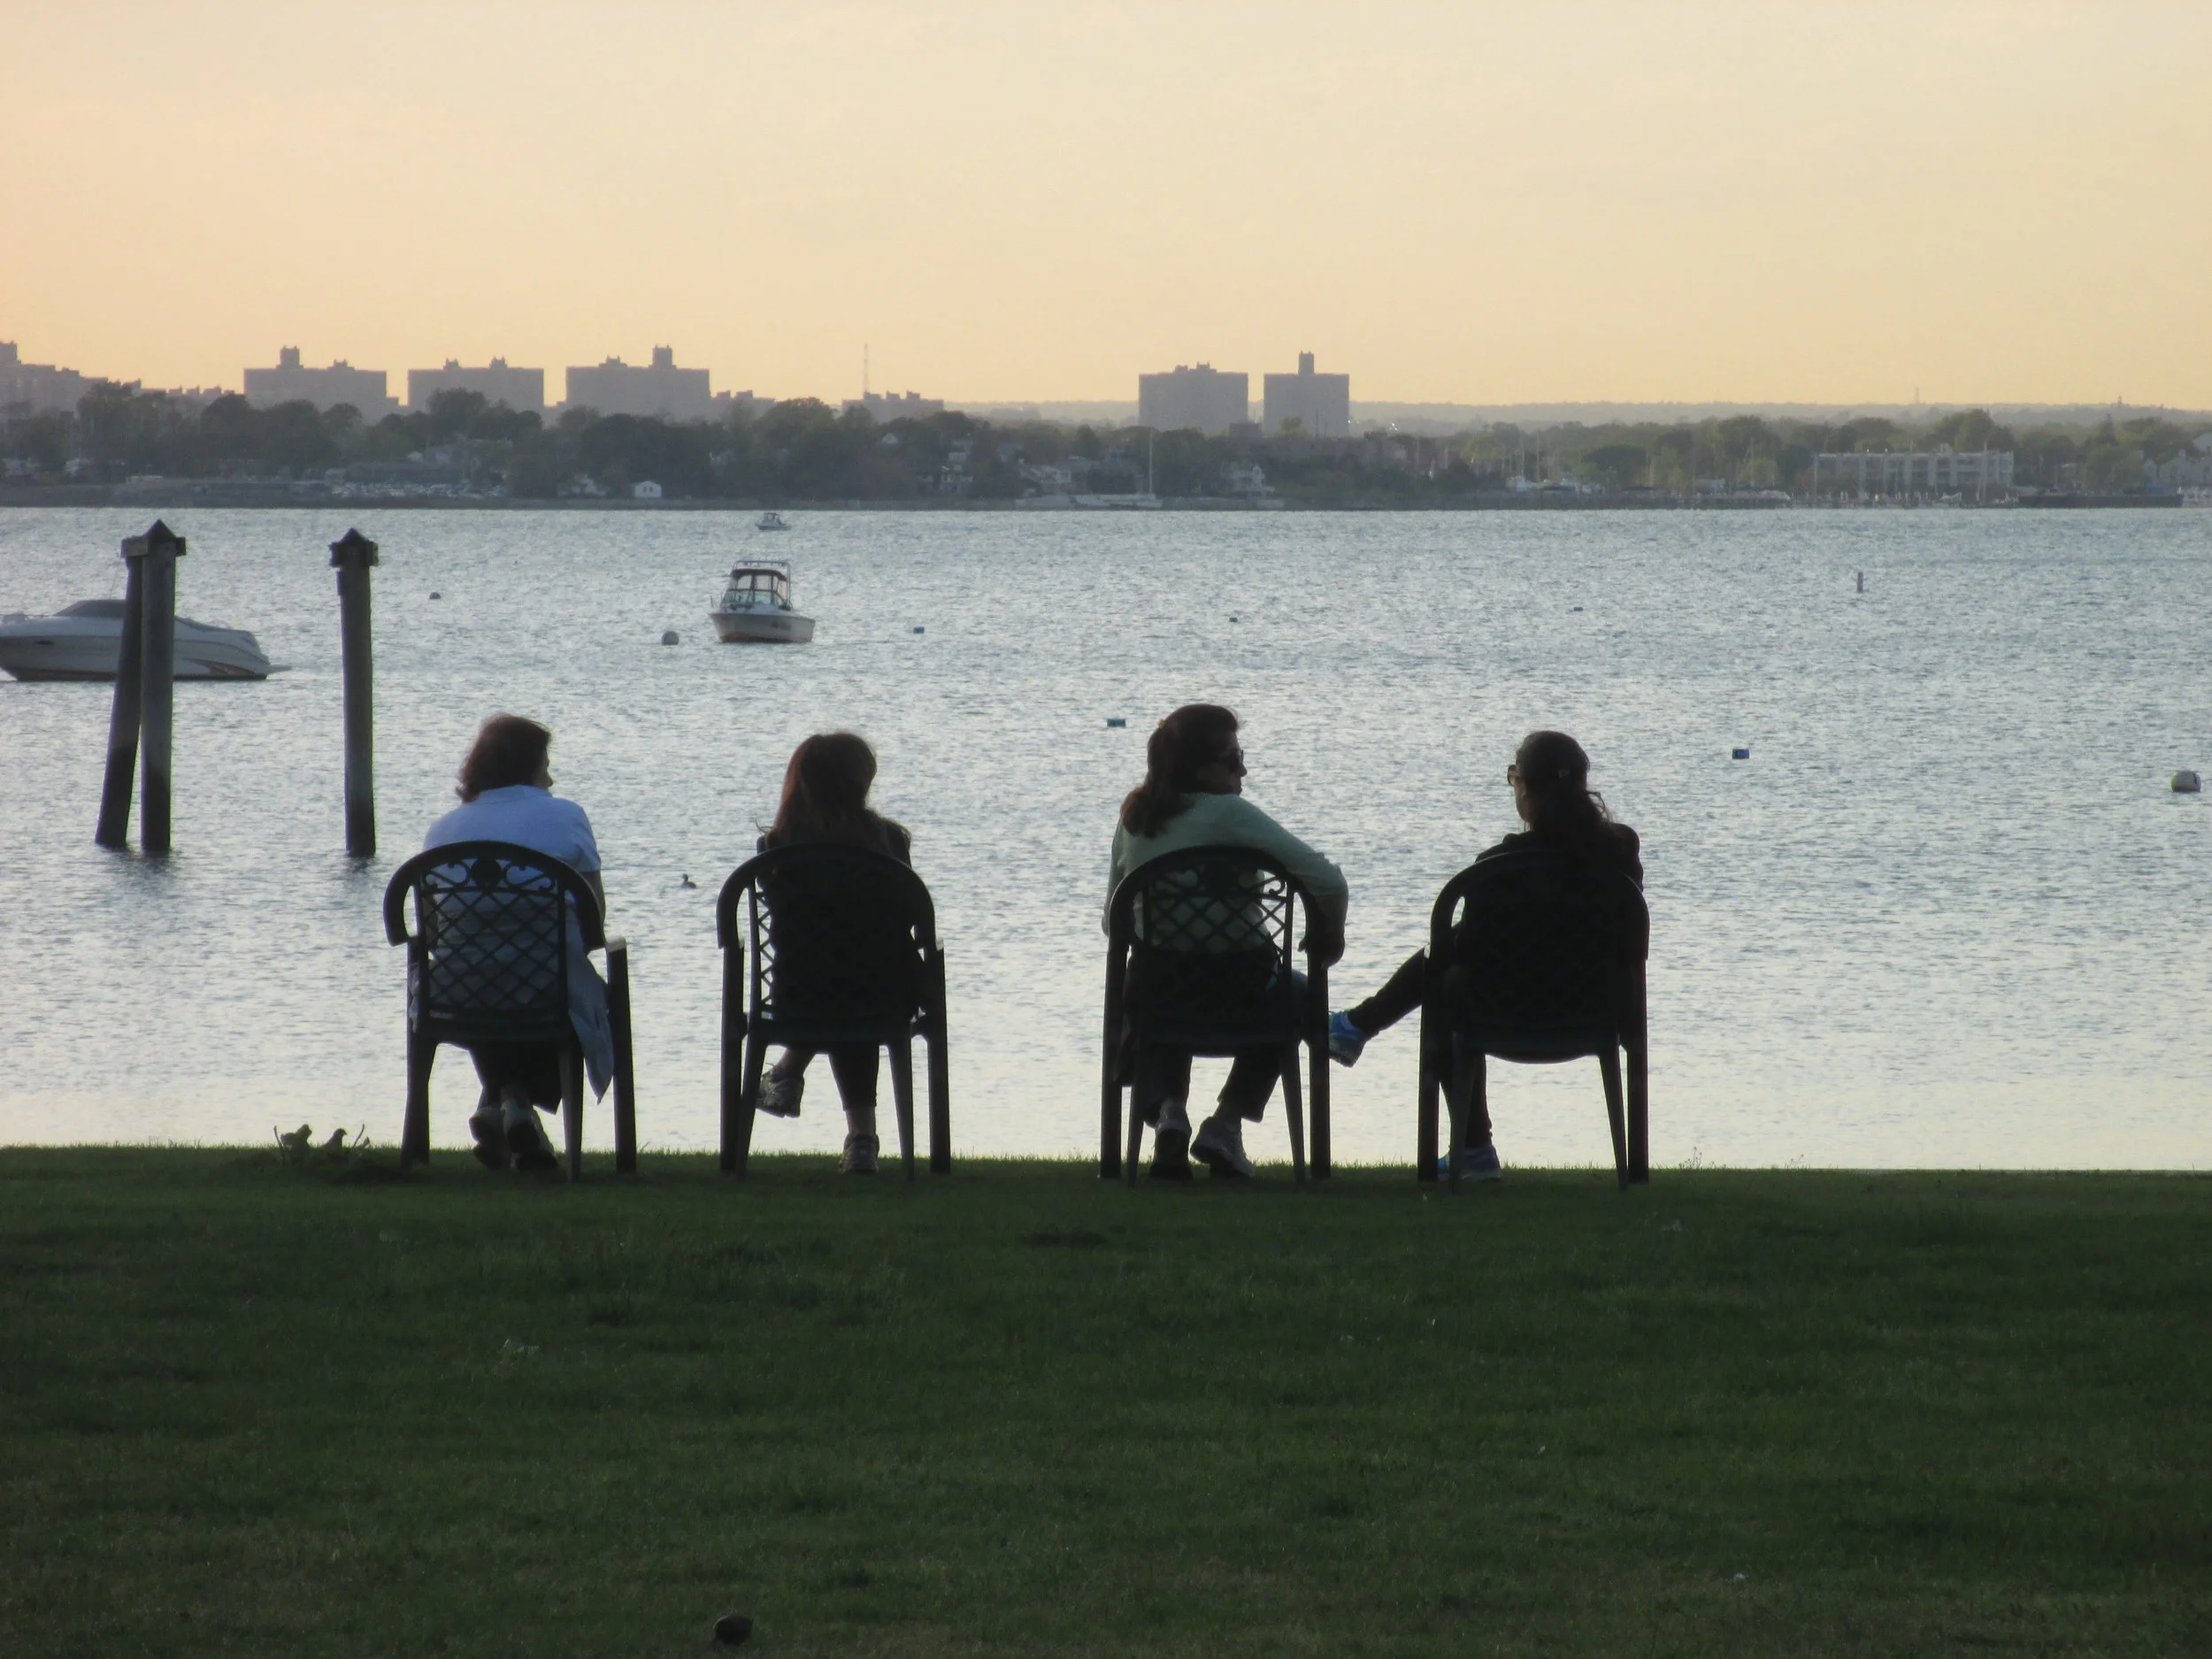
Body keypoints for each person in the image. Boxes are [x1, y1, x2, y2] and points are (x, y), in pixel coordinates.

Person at [1327, 729, 1641, 1180]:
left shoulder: (1500, 863)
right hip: (1603, 1006)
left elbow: (1471, 949)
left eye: (1513, 777)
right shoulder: (1620, 849)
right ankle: (1358, 1025)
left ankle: (1472, 1145)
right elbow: (1628, 935)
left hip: (1504, 1012)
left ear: (1525, 786)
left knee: (1446, 973)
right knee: (1451, 954)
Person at [1106, 703, 1348, 1179]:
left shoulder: (1134, 818)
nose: (1244, 769)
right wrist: (1328, 934)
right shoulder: (1230, 814)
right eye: (1233, 760)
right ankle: (1227, 1122)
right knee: (1300, 996)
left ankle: (1168, 1113)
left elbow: (1113, 924)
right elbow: (1328, 882)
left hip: (1159, 995)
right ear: (1200, 769)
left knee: (1156, 977)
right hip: (1242, 993)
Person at [421, 714, 613, 1173]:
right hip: (547, 986)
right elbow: (594, 921)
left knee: (493, 980)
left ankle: (502, 1104)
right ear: (531, 766)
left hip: (456, 991)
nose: (552, 775)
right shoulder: (566, 815)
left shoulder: (444, 829)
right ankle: (516, 1105)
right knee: (552, 987)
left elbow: (430, 931)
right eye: (547, 762)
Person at [751, 733, 914, 1175]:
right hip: (881, 992)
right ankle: (862, 1140)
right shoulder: (889, 843)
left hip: (795, 994)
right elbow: (912, 915)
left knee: (832, 979)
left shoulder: (775, 850)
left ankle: (786, 1072)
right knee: (853, 986)